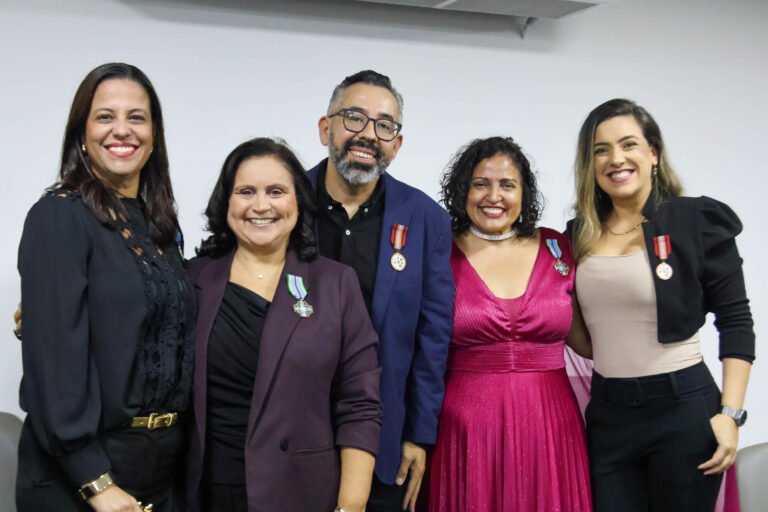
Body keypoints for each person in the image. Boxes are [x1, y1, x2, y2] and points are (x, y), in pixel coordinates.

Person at [16, 63, 194, 512]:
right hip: (82, 476)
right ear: (82, 134)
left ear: (154, 136)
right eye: (105, 116)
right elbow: (54, 366)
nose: (122, 130)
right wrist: (96, 484)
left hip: (158, 466)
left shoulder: (160, 226)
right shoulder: (60, 216)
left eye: (137, 117)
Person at [568, 98, 754, 511]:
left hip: (683, 410)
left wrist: (731, 414)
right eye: (601, 150)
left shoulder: (696, 219)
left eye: (628, 144)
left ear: (653, 153)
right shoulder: (577, 234)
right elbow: (582, 333)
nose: (616, 158)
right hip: (609, 414)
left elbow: (737, 322)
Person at [185, 138, 382, 512]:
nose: (261, 205)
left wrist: (350, 506)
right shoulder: (193, 280)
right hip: (210, 492)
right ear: (226, 201)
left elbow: (360, 405)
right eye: (246, 191)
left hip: (302, 494)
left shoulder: (335, 284)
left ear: (298, 201)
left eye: (276, 191)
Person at [307, 70, 454, 512]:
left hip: (385, 437)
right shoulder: (283, 200)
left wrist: (418, 434)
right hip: (293, 431)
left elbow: (434, 335)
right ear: (325, 128)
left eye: (384, 125)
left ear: (397, 143)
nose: (368, 135)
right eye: (354, 118)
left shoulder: (426, 218)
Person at [427, 136, 592, 511]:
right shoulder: (438, 253)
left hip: (551, 425)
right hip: (466, 427)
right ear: (462, 191)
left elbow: (587, 341)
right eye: (480, 184)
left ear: (524, 192)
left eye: (507, 185)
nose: (493, 196)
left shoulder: (558, 248)